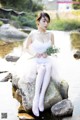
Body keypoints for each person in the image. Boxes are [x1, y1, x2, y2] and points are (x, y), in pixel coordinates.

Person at [13, 12, 61, 117]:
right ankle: (35, 100)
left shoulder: (51, 34)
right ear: (38, 22)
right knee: (42, 69)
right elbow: (25, 48)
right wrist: (35, 54)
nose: (46, 24)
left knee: (48, 66)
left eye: (47, 21)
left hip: (46, 59)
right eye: (44, 21)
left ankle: (41, 98)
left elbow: (52, 49)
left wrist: (47, 53)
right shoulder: (33, 34)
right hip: (35, 60)